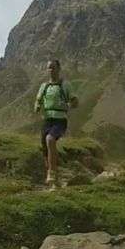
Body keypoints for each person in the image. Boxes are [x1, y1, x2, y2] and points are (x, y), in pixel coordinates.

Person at [34, 59, 78, 189]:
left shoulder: (65, 85)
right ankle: (54, 182)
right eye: (49, 68)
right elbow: (38, 100)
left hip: (60, 120)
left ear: (59, 69)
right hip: (47, 120)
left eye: (53, 67)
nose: (50, 70)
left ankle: (52, 175)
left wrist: (68, 104)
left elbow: (75, 102)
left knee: (50, 139)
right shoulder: (44, 86)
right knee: (45, 150)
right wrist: (37, 106)